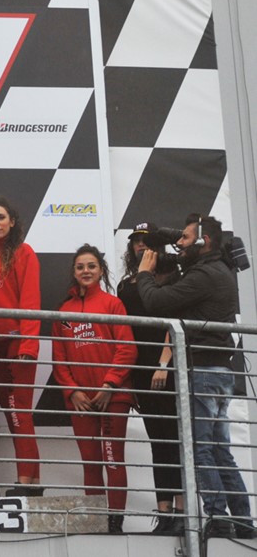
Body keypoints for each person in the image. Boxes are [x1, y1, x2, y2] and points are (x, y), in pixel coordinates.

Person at [137, 214, 254, 539]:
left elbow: (156, 302)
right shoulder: (216, 266)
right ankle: (243, 520)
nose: (180, 243)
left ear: (205, 241)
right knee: (219, 452)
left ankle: (218, 519)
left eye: (187, 238)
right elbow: (173, 240)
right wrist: (172, 234)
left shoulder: (204, 275)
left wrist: (144, 274)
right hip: (216, 373)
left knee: (201, 451)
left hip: (202, 373)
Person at [52, 244, 137, 534]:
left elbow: (127, 349)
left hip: (113, 397)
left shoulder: (113, 304)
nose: (86, 271)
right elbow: (59, 359)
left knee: (112, 459)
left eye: (91, 266)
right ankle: (96, 521)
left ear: (101, 270)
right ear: (74, 272)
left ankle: (115, 522)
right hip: (81, 401)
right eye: (80, 267)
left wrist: (109, 385)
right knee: (90, 462)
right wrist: (72, 391)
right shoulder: (64, 312)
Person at [116, 222, 184, 534]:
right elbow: (125, 334)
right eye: (135, 241)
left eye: (145, 240)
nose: (140, 245)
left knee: (175, 439)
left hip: (168, 367)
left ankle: (183, 514)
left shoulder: (171, 277)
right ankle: (165, 514)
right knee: (158, 440)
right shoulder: (125, 286)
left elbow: (174, 324)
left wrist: (163, 364)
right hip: (141, 371)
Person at [0, 196, 42, 496]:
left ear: (12, 221)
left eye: (0, 217)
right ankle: (32, 482)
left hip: (19, 344)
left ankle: (26, 481)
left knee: (20, 414)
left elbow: (31, 300)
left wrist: (28, 346)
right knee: (12, 415)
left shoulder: (23, 252)